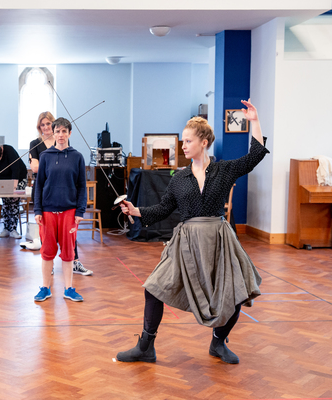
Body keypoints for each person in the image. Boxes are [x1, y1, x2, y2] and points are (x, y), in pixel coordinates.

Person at [115, 99, 268, 364]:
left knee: (234, 293)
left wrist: (254, 120)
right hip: (185, 243)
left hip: (219, 240)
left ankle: (218, 343)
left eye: (187, 141)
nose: (183, 145)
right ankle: (145, 346)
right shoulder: (179, 178)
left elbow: (255, 156)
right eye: (183, 141)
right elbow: (163, 209)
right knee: (153, 289)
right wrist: (135, 210)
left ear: (204, 142)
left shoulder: (224, 169)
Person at [28, 111, 93, 276]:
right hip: (46, 195)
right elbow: (35, 169)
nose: (46, 127)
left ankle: (74, 263)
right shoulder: (36, 145)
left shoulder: (74, 154)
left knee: (69, 239)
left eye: (48, 124)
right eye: (42, 125)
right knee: (48, 242)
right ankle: (49, 269)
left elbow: (79, 183)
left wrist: (80, 210)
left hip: (66, 199)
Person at [33, 117, 87, 302]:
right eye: (58, 131)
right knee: (47, 252)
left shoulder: (77, 157)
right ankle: (45, 288)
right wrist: (38, 210)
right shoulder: (45, 156)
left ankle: (69, 289)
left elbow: (82, 186)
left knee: (68, 253)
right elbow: (38, 186)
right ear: (53, 134)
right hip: (48, 212)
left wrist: (80, 211)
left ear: (69, 134)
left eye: (64, 131)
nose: (61, 135)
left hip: (69, 212)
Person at [0, 143, 28, 239]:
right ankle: (6, 228)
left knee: (13, 202)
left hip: (19, 178)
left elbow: (16, 170)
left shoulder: (9, 151)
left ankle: (13, 229)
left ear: (1, 155)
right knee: (6, 202)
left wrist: (13, 188)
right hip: (4, 180)